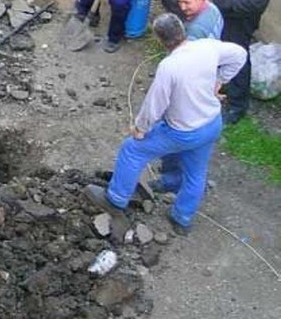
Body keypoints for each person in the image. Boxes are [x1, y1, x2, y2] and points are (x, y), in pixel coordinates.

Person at [83, 13, 246, 235]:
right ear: (182, 29)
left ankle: (116, 200)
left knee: (132, 150)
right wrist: (219, 81)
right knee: (196, 173)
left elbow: (155, 104)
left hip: (183, 131)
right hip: (211, 124)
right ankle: (182, 218)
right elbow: (240, 54)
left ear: (161, 40)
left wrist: (141, 128)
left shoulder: (170, 66)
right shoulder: (208, 47)